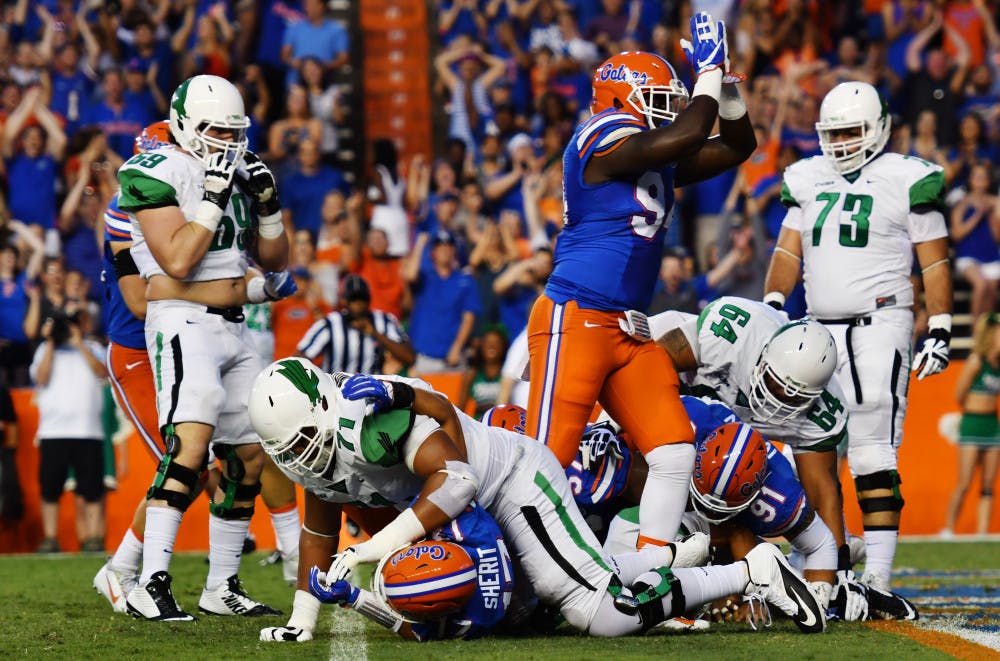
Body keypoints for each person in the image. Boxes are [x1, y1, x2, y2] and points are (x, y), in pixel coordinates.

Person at [249, 358, 825, 642]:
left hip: (511, 482)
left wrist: (374, 547)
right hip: (472, 516)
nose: (302, 458)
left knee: (599, 614)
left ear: (326, 411)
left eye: (304, 441)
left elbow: (456, 481)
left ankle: (754, 571)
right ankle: (668, 562)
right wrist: (306, 616)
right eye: (287, 451)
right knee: (522, 609)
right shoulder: (312, 456)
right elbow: (317, 536)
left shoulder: (372, 418)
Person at [525, 12, 757, 551]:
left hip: (629, 329)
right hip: (576, 317)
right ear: (617, 100)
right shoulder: (595, 137)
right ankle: (506, 569)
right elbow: (693, 130)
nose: (664, 107)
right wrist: (707, 72)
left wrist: (723, 87)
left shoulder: (655, 154)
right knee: (542, 462)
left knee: (675, 450)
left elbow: (737, 144)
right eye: (653, 96)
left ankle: (651, 574)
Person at [93, 121, 304, 614]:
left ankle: (214, 583)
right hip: (140, 352)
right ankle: (127, 570)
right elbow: (145, 299)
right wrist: (242, 292)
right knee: (190, 462)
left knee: (244, 455)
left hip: (209, 333)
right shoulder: (136, 204)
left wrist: (246, 281)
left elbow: (241, 261)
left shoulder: (211, 195)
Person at [763, 81, 953, 594]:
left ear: (879, 128)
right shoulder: (806, 176)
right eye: (834, 132)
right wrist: (774, 304)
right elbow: (787, 251)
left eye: (851, 130)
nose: (842, 142)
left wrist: (940, 324)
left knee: (872, 449)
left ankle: (879, 581)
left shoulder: (905, 176)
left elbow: (933, 259)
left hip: (879, 324)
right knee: (806, 447)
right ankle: (834, 554)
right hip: (818, 329)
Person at [651, 297, 854, 585]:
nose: (779, 397)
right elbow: (653, 365)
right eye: (774, 382)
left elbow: (823, 490)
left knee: (732, 488)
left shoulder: (823, 411)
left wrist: (840, 570)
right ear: (764, 355)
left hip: (728, 444)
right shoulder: (735, 334)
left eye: (794, 395)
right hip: (679, 393)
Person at [30, 304, 107, 554]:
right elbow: (40, 378)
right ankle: (50, 538)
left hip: (88, 431)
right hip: (53, 431)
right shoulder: (44, 349)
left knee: (92, 489)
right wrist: (51, 341)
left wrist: (79, 343)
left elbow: (103, 373)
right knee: (50, 487)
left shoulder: (94, 348)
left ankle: (93, 537)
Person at [942, 313, 1000, 537]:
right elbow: (959, 394)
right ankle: (948, 529)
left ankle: (982, 531)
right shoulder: (977, 361)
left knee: (988, 485)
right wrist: (974, 408)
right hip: (972, 423)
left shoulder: (997, 364)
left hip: (993, 426)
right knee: (964, 482)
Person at [296, 274, 414, 374]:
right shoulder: (330, 324)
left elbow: (409, 357)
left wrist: (376, 334)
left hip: (372, 392)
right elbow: (301, 357)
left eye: (362, 299)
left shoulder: (384, 321)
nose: (358, 304)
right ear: (344, 301)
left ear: (369, 300)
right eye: (353, 299)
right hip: (336, 393)